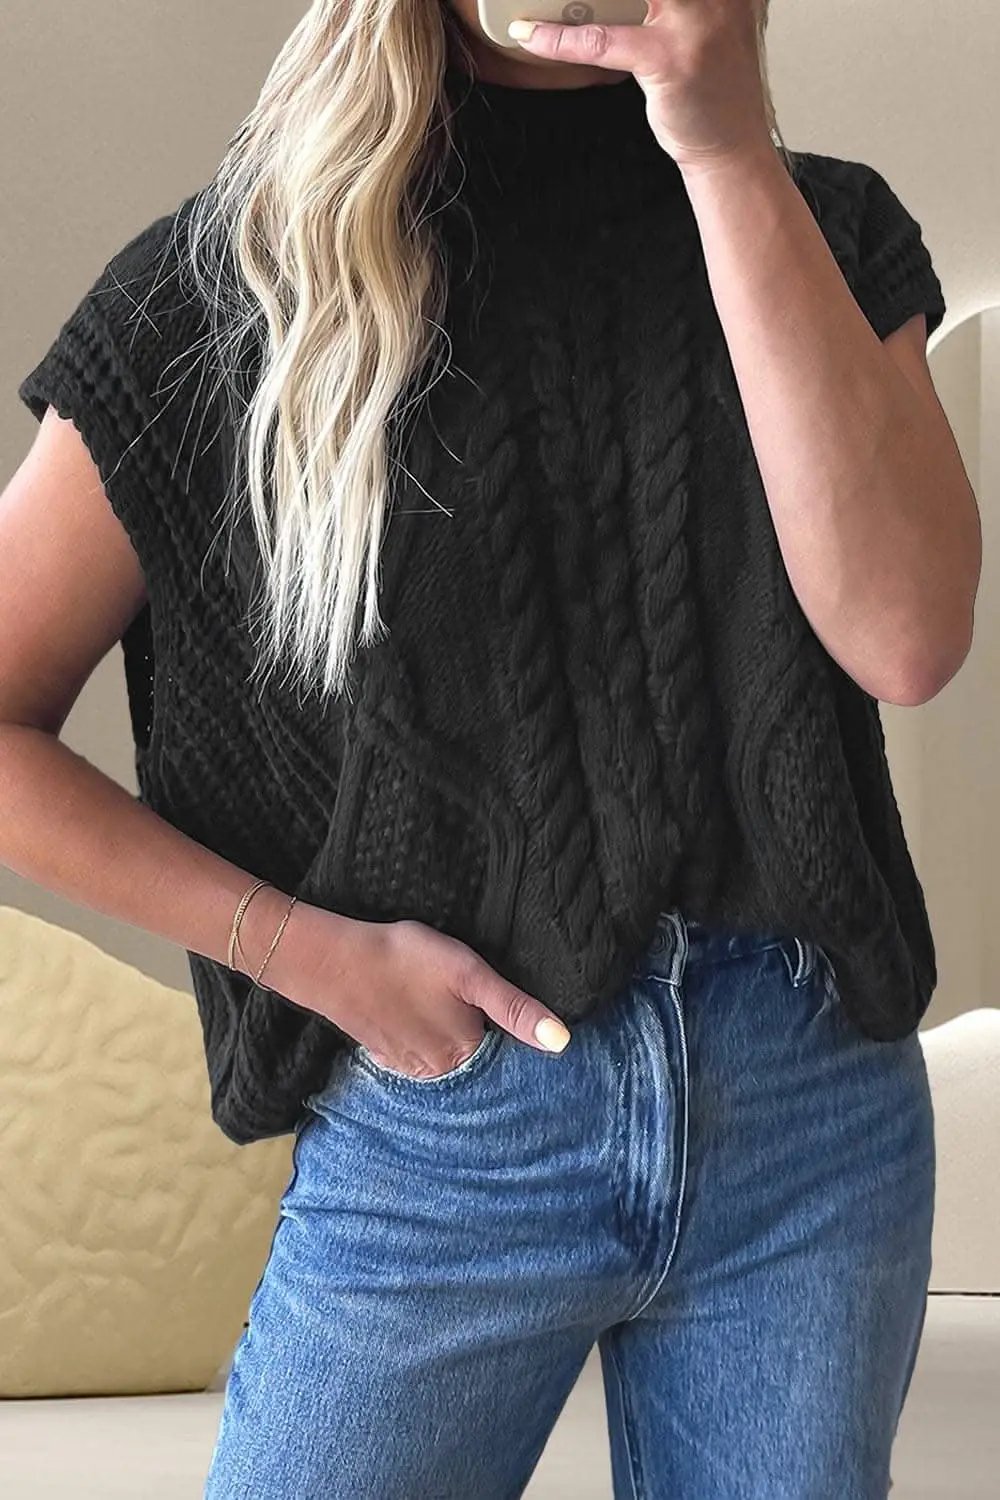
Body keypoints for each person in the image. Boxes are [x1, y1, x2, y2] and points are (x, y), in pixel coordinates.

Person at [3, 1, 980, 1496]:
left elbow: (908, 639)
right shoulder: (242, 282)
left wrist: (724, 147)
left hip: (810, 1121)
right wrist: (309, 955)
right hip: (448, 1128)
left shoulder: (828, 230)